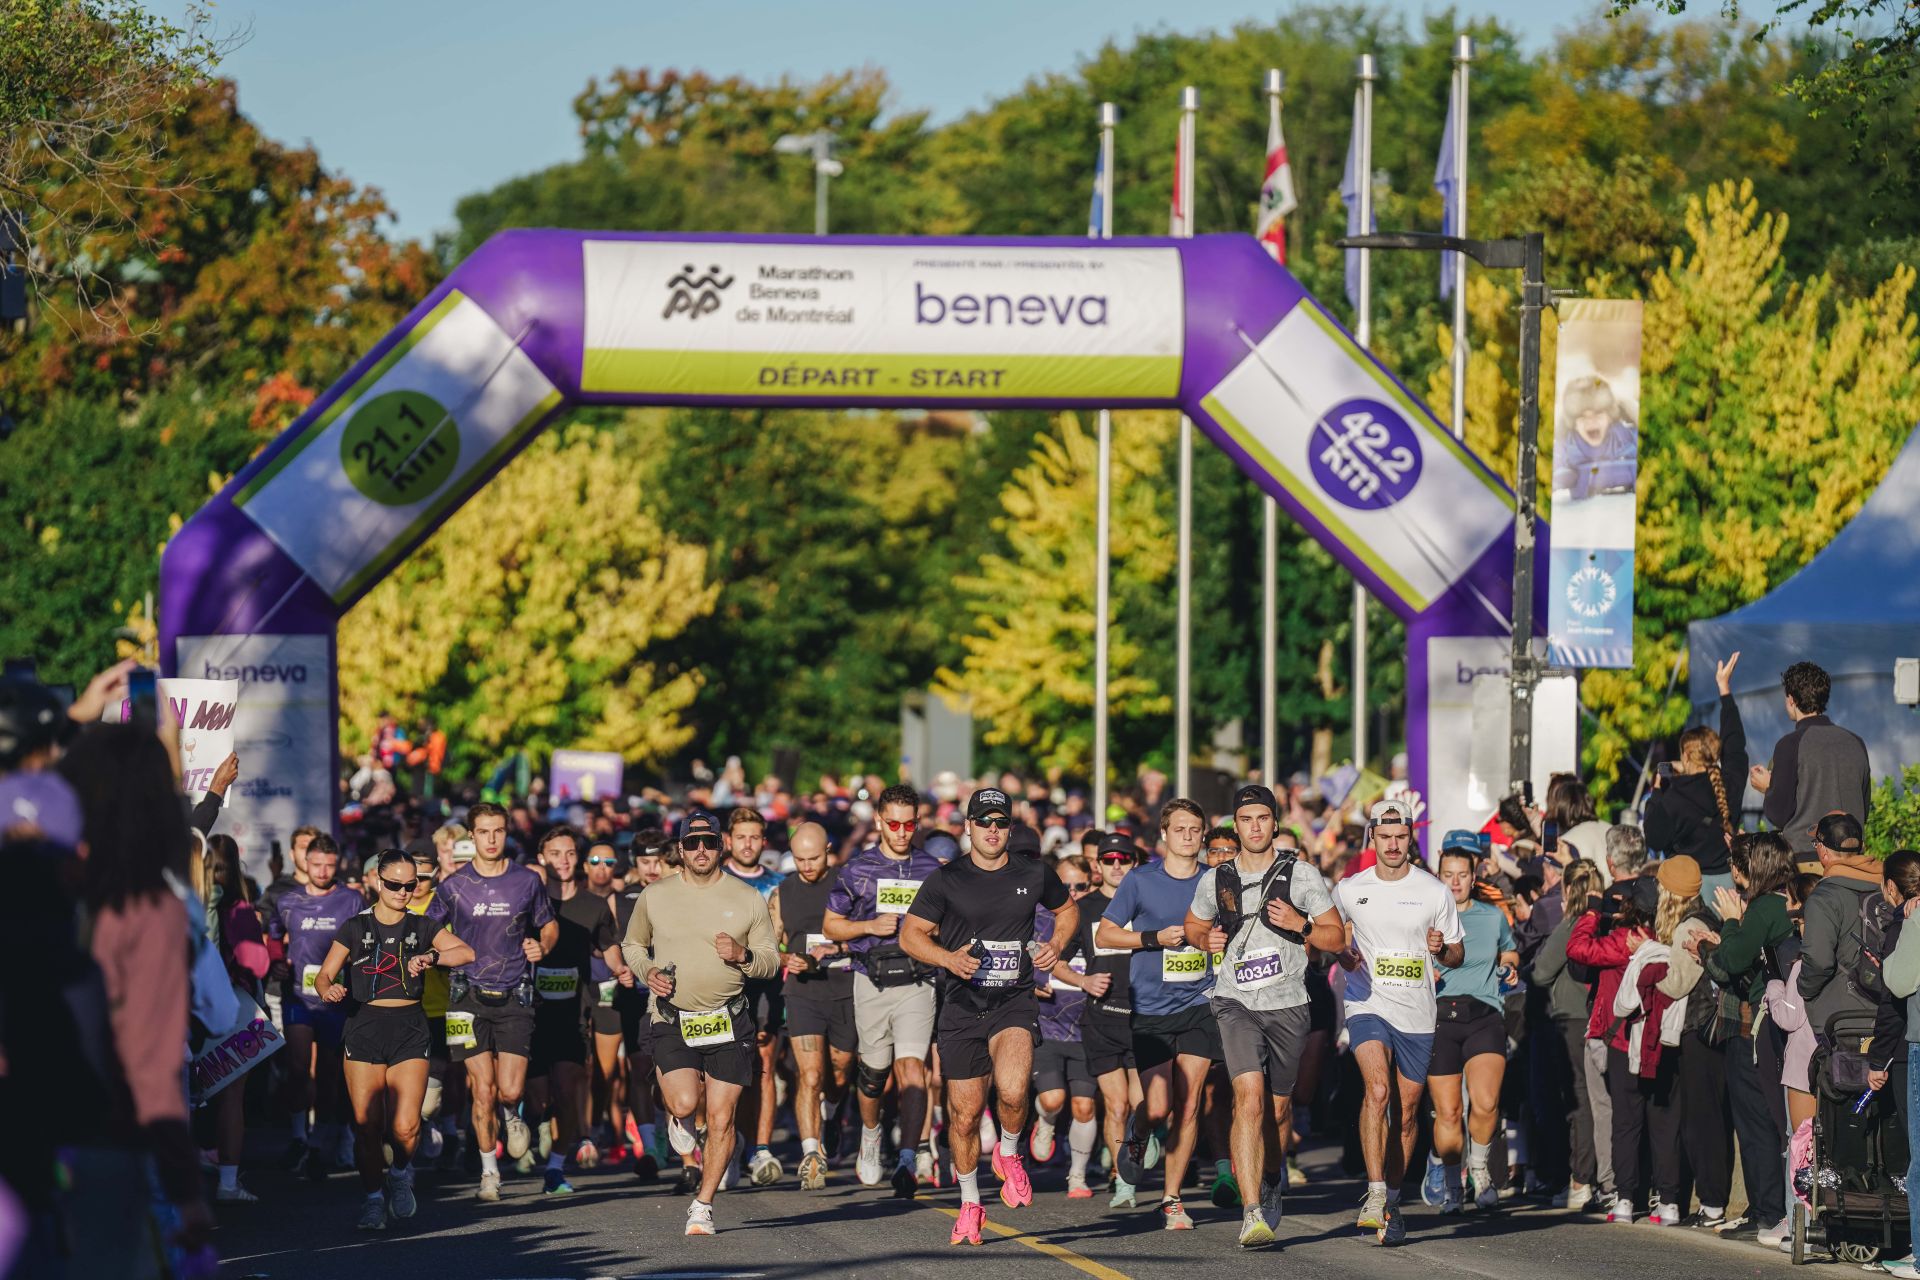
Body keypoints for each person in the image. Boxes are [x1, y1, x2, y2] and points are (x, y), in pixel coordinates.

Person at [56, 724, 212, 1277]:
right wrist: (186, 1189)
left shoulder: (37, 886)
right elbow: (151, 1065)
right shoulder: (148, 911)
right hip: (101, 1145)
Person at [899, 786, 1076, 1246]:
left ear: (1009, 828)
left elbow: (1068, 909)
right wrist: (947, 959)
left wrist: (1057, 944)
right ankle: (971, 1203)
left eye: (1000, 823)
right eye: (984, 822)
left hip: (1013, 1001)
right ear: (968, 827)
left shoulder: (1034, 871)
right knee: (963, 1116)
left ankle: (1009, 1153)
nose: (993, 831)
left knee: (1015, 1091)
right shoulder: (946, 879)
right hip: (961, 1006)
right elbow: (910, 934)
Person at [1186, 785, 1343, 1248]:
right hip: (1234, 1002)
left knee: (1277, 1110)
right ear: (1235, 826)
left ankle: (1272, 1175)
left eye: (1262, 818)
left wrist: (1304, 926)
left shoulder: (1303, 876)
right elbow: (1195, 923)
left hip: (1289, 1004)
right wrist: (1203, 940)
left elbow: (1336, 938)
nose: (1254, 827)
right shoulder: (1217, 878)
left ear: (1275, 823)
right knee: (1248, 1099)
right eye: (1246, 819)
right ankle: (1251, 1210)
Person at [622, 809, 780, 1236]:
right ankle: (680, 1119)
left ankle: (703, 1204)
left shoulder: (747, 897)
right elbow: (632, 944)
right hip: (673, 1017)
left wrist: (743, 956)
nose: (702, 850)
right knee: (685, 1104)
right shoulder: (655, 895)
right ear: (680, 849)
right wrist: (646, 972)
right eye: (692, 843)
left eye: (709, 841)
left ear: (721, 845)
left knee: (723, 1116)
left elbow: (771, 960)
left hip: (728, 1018)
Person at [314, 849, 474, 1229]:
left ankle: (401, 1172)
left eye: (410, 885)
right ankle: (372, 1199)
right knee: (367, 1126)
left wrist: (432, 958)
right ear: (377, 882)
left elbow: (466, 952)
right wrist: (329, 990)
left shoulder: (422, 926)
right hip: (364, 1027)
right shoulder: (354, 926)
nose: (403, 891)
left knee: (405, 1126)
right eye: (394, 885)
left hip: (409, 1028)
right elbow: (323, 975)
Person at [1333, 799, 1464, 1245]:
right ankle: (1373, 1191)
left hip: (1417, 1013)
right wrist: (1340, 952)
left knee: (1407, 1114)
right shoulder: (1351, 888)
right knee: (1378, 1090)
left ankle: (1390, 1199)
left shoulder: (1434, 891)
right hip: (1367, 1003)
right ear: (1372, 837)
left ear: (1411, 839)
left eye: (1401, 836)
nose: (1392, 844)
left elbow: (1457, 954)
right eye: (1384, 836)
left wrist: (1441, 948)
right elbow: (1327, 932)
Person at [425, 800, 559, 1202]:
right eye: (483, 831)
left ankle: (512, 1114)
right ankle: (489, 1173)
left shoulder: (526, 881)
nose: (491, 838)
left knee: (509, 1090)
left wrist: (542, 946)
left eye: (498, 830)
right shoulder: (452, 886)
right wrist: (446, 952)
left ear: (506, 833)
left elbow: (548, 924)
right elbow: (428, 928)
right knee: (481, 1088)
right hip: (464, 995)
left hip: (515, 993)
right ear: (472, 835)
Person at [1097, 798, 1220, 1231]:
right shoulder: (1140, 880)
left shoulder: (1215, 880)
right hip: (1149, 1007)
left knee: (1188, 1107)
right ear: (1164, 835)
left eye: (1195, 829)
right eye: (1180, 829)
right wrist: (1151, 938)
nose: (1188, 836)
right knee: (1160, 1104)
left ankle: (1172, 1199)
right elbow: (1107, 932)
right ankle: (1139, 1129)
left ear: (1203, 835)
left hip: (1201, 1003)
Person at [823, 783, 946, 1198]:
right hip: (870, 979)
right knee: (873, 1075)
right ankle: (871, 1134)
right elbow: (831, 926)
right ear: (878, 821)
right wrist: (868, 927)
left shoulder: (933, 869)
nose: (901, 831)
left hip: (918, 979)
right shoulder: (856, 870)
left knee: (913, 1069)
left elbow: (951, 922)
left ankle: (909, 1157)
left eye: (909, 824)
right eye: (893, 823)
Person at [1695, 831, 1797, 1244]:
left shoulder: (1761, 908)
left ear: (1748, 868)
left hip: (1756, 1024)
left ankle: (1771, 1213)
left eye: (1735, 865)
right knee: (1758, 1120)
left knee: (1756, 1122)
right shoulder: (1773, 905)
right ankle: (1764, 1208)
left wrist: (1730, 923)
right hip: (1760, 1021)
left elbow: (1732, 961)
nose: (1731, 873)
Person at [528, 825, 628, 1195]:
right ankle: (534, 1120)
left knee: (568, 1089)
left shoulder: (595, 905)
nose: (564, 861)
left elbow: (609, 948)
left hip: (574, 1012)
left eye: (570, 853)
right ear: (542, 859)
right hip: (531, 1014)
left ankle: (555, 1168)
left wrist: (623, 970)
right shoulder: (531, 901)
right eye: (555, 854)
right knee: (537, 1096)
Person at [1054, 831, 1147, 1208]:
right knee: (1117, 1104)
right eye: (1108, 860)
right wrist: (1083, 980)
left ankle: (1137, 1148)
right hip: (1102, 1017)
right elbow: (1056, 962)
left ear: (1134, 864)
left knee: (1146, 1107)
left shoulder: (1145, 905)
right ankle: (1122, 1179)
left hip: (1145, 1015)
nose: (1115, 866)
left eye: (1122, 860)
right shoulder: (1085, 909)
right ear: (1097, 866)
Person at [1429, 832, 1520, 1215]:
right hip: (1439, 1017)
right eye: (1448, 874)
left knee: (1485, 1104)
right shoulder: (1427, 918)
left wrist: (1509, 967)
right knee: (1448, 1112)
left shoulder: (1492, 915)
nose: (1455, 882)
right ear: (1439, 875)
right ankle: (1452, 1183)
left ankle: (1480, 1172)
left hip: (1483, 1014)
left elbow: (1510, 951)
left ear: (1473, 875)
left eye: (1461, 874)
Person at [769, 821, 857, 1190]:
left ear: (828, 851)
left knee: (838, 1071)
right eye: (799, 858)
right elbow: (770, 944)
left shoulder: (849, 884)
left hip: (844, 989)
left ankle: (833, 1113)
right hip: (802, 992)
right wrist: (789, 958)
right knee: (810, 1076)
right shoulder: (782, 891)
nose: (806, 866)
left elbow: (867, 935)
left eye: (814, 858)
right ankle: (811, 1153)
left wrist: (836, 949)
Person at [267, 832, 359, 1178]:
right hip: (299, 996)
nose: (322, 871)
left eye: (329, 866)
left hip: (336, 1000)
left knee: (329, 1074)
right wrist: (276, 961)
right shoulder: (288, 900)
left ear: (337, 865)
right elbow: (274, 937)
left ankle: (322, 1137)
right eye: (316, 864)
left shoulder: (351, 900)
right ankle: (297, 1136)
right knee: (297, 1065)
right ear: (305, 863)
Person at [1650, 854, 1733, 1229]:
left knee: (1702, 1121)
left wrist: (1646, 966)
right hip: (1710, 1032)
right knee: (1710, 1117)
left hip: (1698, 1033)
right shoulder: (1707, 918)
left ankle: (1713, 1203)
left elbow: (1676, 984)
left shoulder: (1688, 928)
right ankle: (1711, 1200)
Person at [1528, 859, 1609, 1211]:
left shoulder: (1572, 924)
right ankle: (1584, 1177)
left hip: (1571, 1019)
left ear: (1567, 890)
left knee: (1577, 1102)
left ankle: (1580, 1179)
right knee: (1592, 1099)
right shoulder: (1602, 922)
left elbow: (1542, 972)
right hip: (1593, 1017)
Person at [1645, 653, 1748, 903]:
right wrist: (1724, 689)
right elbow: (1734, 744)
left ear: (1686, 755)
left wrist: (1657, 793)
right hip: (1727, 888)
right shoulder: (1730, 782)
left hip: (1687, 891)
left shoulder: (1673, 798)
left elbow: (1655, 838)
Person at [201, 833, 269, 1203]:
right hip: (229, 1009)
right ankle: (228, 1182)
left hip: (181, 1009)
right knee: (231, 1098)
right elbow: (255, 962)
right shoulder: (238, 909)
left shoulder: (183, 902)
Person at [721, 806, 786, 1186]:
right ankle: (725, 1144)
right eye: (741, 837)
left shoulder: (779, 884)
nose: (748, 844)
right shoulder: (714, 878)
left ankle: (760, 1150)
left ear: (764, 841)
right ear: (728, 841)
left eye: (755, 837)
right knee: (723, 1070)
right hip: (722, 987)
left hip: (766, 987)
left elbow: (785, 937)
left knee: (763, 1066)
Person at [1031, 854, 1102, 1198]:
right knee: (1054, 1099)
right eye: (1065, 886)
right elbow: (1016, 956)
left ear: (1092, 884)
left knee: (1084, 1106)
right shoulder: (1037, 919)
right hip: (1047, 1025)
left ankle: (1077, 1176)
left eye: (1081, 886)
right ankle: (1044, 1122)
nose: (1072, 893)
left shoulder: (1100, 918)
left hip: (1087, 1029)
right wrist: (1030, 983)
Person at [1753, 660, 1872, 857]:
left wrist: (1768, 788)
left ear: (1791, 700)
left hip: (1808, 858)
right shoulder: (1856, 742)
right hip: (1853, 858)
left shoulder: (1790, 744)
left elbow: (1779, 813)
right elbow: (1863, 808)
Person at [1872, 851, 1920, 1280]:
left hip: (1912, 1046)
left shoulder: (1908, 922)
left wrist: (1876, 1058)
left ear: (1893, 887)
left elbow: (1897, 991)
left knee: (1918, 1155)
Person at [1796, 811, 1884, 1040]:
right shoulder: (1887, 888)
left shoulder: (1824, 897)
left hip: (1841, 1018)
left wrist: (1804, 990)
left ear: (1823, 851)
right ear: (1861, 846)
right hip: (1886, 1012)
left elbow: (1818, 960)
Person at [1550, 373, 1638, 499]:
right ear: (1574, 424)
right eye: (1583, 416)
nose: (1591, 421)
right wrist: (1562, 478)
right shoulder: (1566, 450)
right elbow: (1555, 470)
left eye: (1598, 413)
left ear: (1610, 417)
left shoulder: (1624, 438)